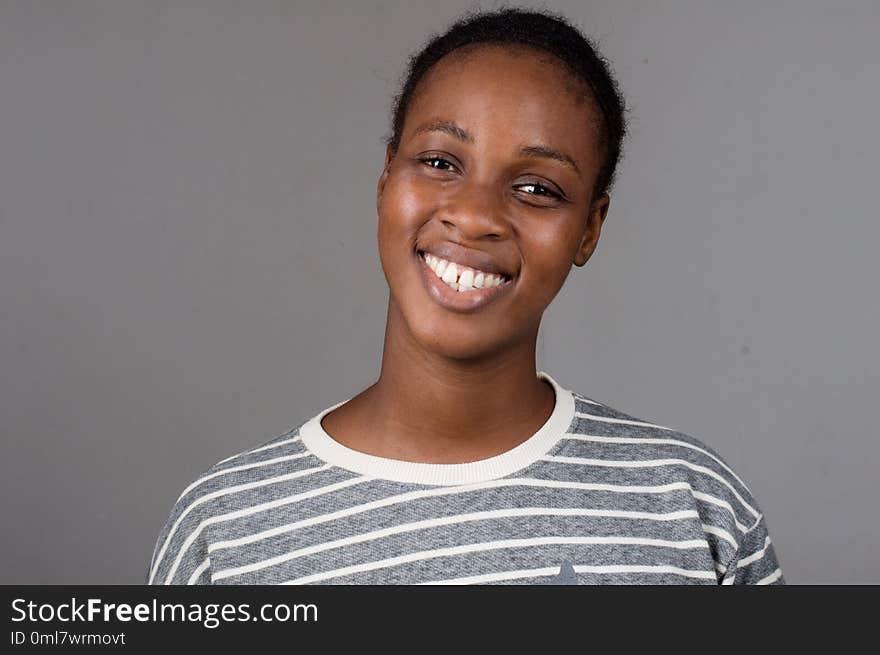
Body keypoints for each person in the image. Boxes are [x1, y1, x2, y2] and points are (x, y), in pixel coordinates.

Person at [147, 7, 784, 585]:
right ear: (384, 181)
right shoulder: (226, 532)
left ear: (589, 227)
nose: (475, 215)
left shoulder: (690, 505)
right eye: (440, 163)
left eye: (538, 188)